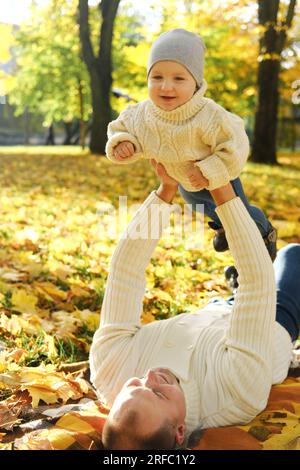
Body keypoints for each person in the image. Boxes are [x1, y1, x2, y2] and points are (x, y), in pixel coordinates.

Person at [89, 160, 299, 450]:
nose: (150, 376)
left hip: (214, 312)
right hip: (269, 319)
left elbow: (125, 270)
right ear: (180, 431)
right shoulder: (237, 397)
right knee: (293, 256)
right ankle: (254, 240)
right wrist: (221, 189)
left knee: (246, 258)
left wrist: (165, 191)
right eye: (158, 394)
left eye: (135, 385)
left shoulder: (109, 372)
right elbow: (258, 285)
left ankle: (252, 241)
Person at [105, 28, 277, 260]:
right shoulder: (141, 114)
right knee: (205, 208)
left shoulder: (208, 115)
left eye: (179, 78)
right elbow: (120, 128)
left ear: (195, 83)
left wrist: (210, 169)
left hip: (218, 176)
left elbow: (236, 144)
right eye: (157, 77)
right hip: (185, 182)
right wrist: (123, 143)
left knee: (239, 219)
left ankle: (263, 234)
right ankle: (222, 226)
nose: (166, 86)